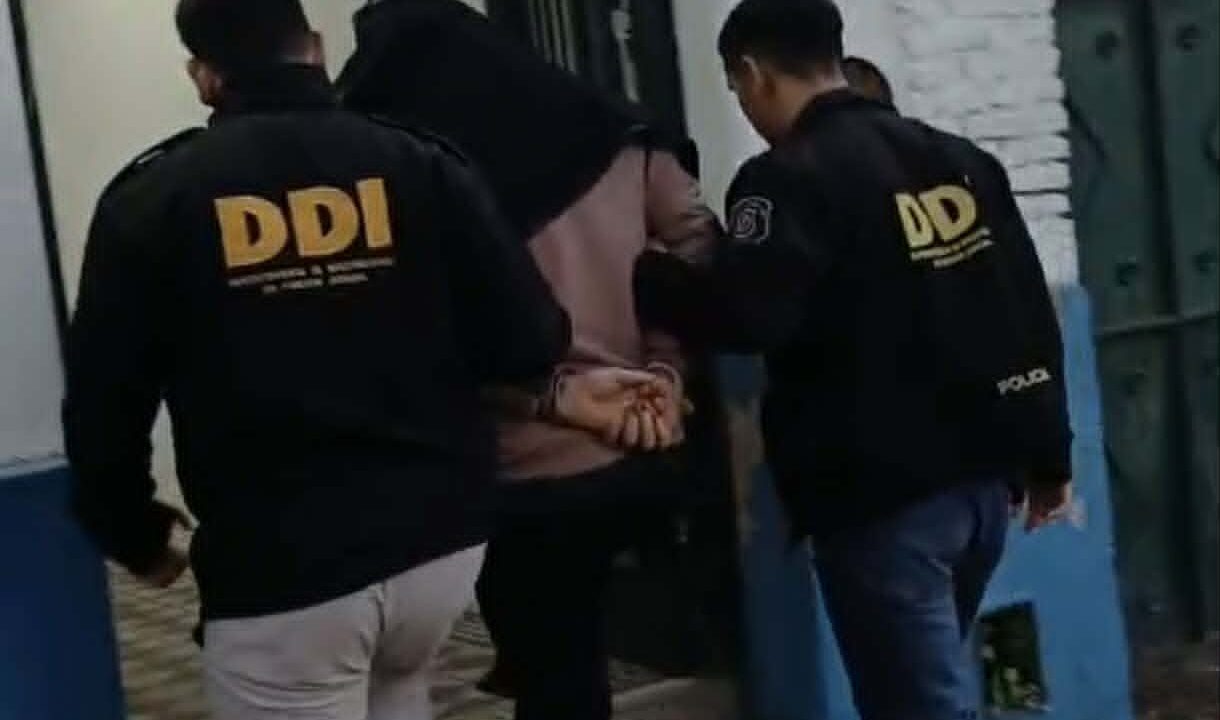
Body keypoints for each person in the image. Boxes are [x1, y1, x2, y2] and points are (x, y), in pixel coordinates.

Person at [64, 1, 656, 718]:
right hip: (436, 551)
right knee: (397, 691)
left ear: (204, 76)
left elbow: (104, 405)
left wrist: (133, 534)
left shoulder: (155, 198)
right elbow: (528, 340)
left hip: (288, 575)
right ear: (314, 48)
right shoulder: (419, 163)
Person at [634, 1, 1074, 718]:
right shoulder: (960, 159)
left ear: (753, 73)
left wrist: (650, 277)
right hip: (986, 487)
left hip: (886, 498)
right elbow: (1025, 313)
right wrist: (1051, 454)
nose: (745, 105)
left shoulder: (786, 179)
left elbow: (748, 318)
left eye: (738, 88)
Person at [340, 2, 719, 718]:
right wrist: (664, 375)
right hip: (636, 446)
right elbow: (698, 253)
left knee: (551, 668)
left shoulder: (422, 176)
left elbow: (412, 333)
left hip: (511, 473)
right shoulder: (620, 138)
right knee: (574, 656)